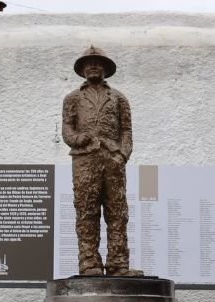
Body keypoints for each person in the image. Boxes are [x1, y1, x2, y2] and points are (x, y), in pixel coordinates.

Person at [62, 46, 142, 277]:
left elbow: (126, 131)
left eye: (98, 63)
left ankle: (118, 264)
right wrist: (77, 139)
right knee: (86, 210)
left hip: (112, 159)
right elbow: (67, 127)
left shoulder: (118, 98)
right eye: (89, 63)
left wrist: (122, 154)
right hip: (85, 159)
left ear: (105, 69)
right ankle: (89, 263)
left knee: (117, 211)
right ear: (83, 70)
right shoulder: (73, 99)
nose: (93, 66)